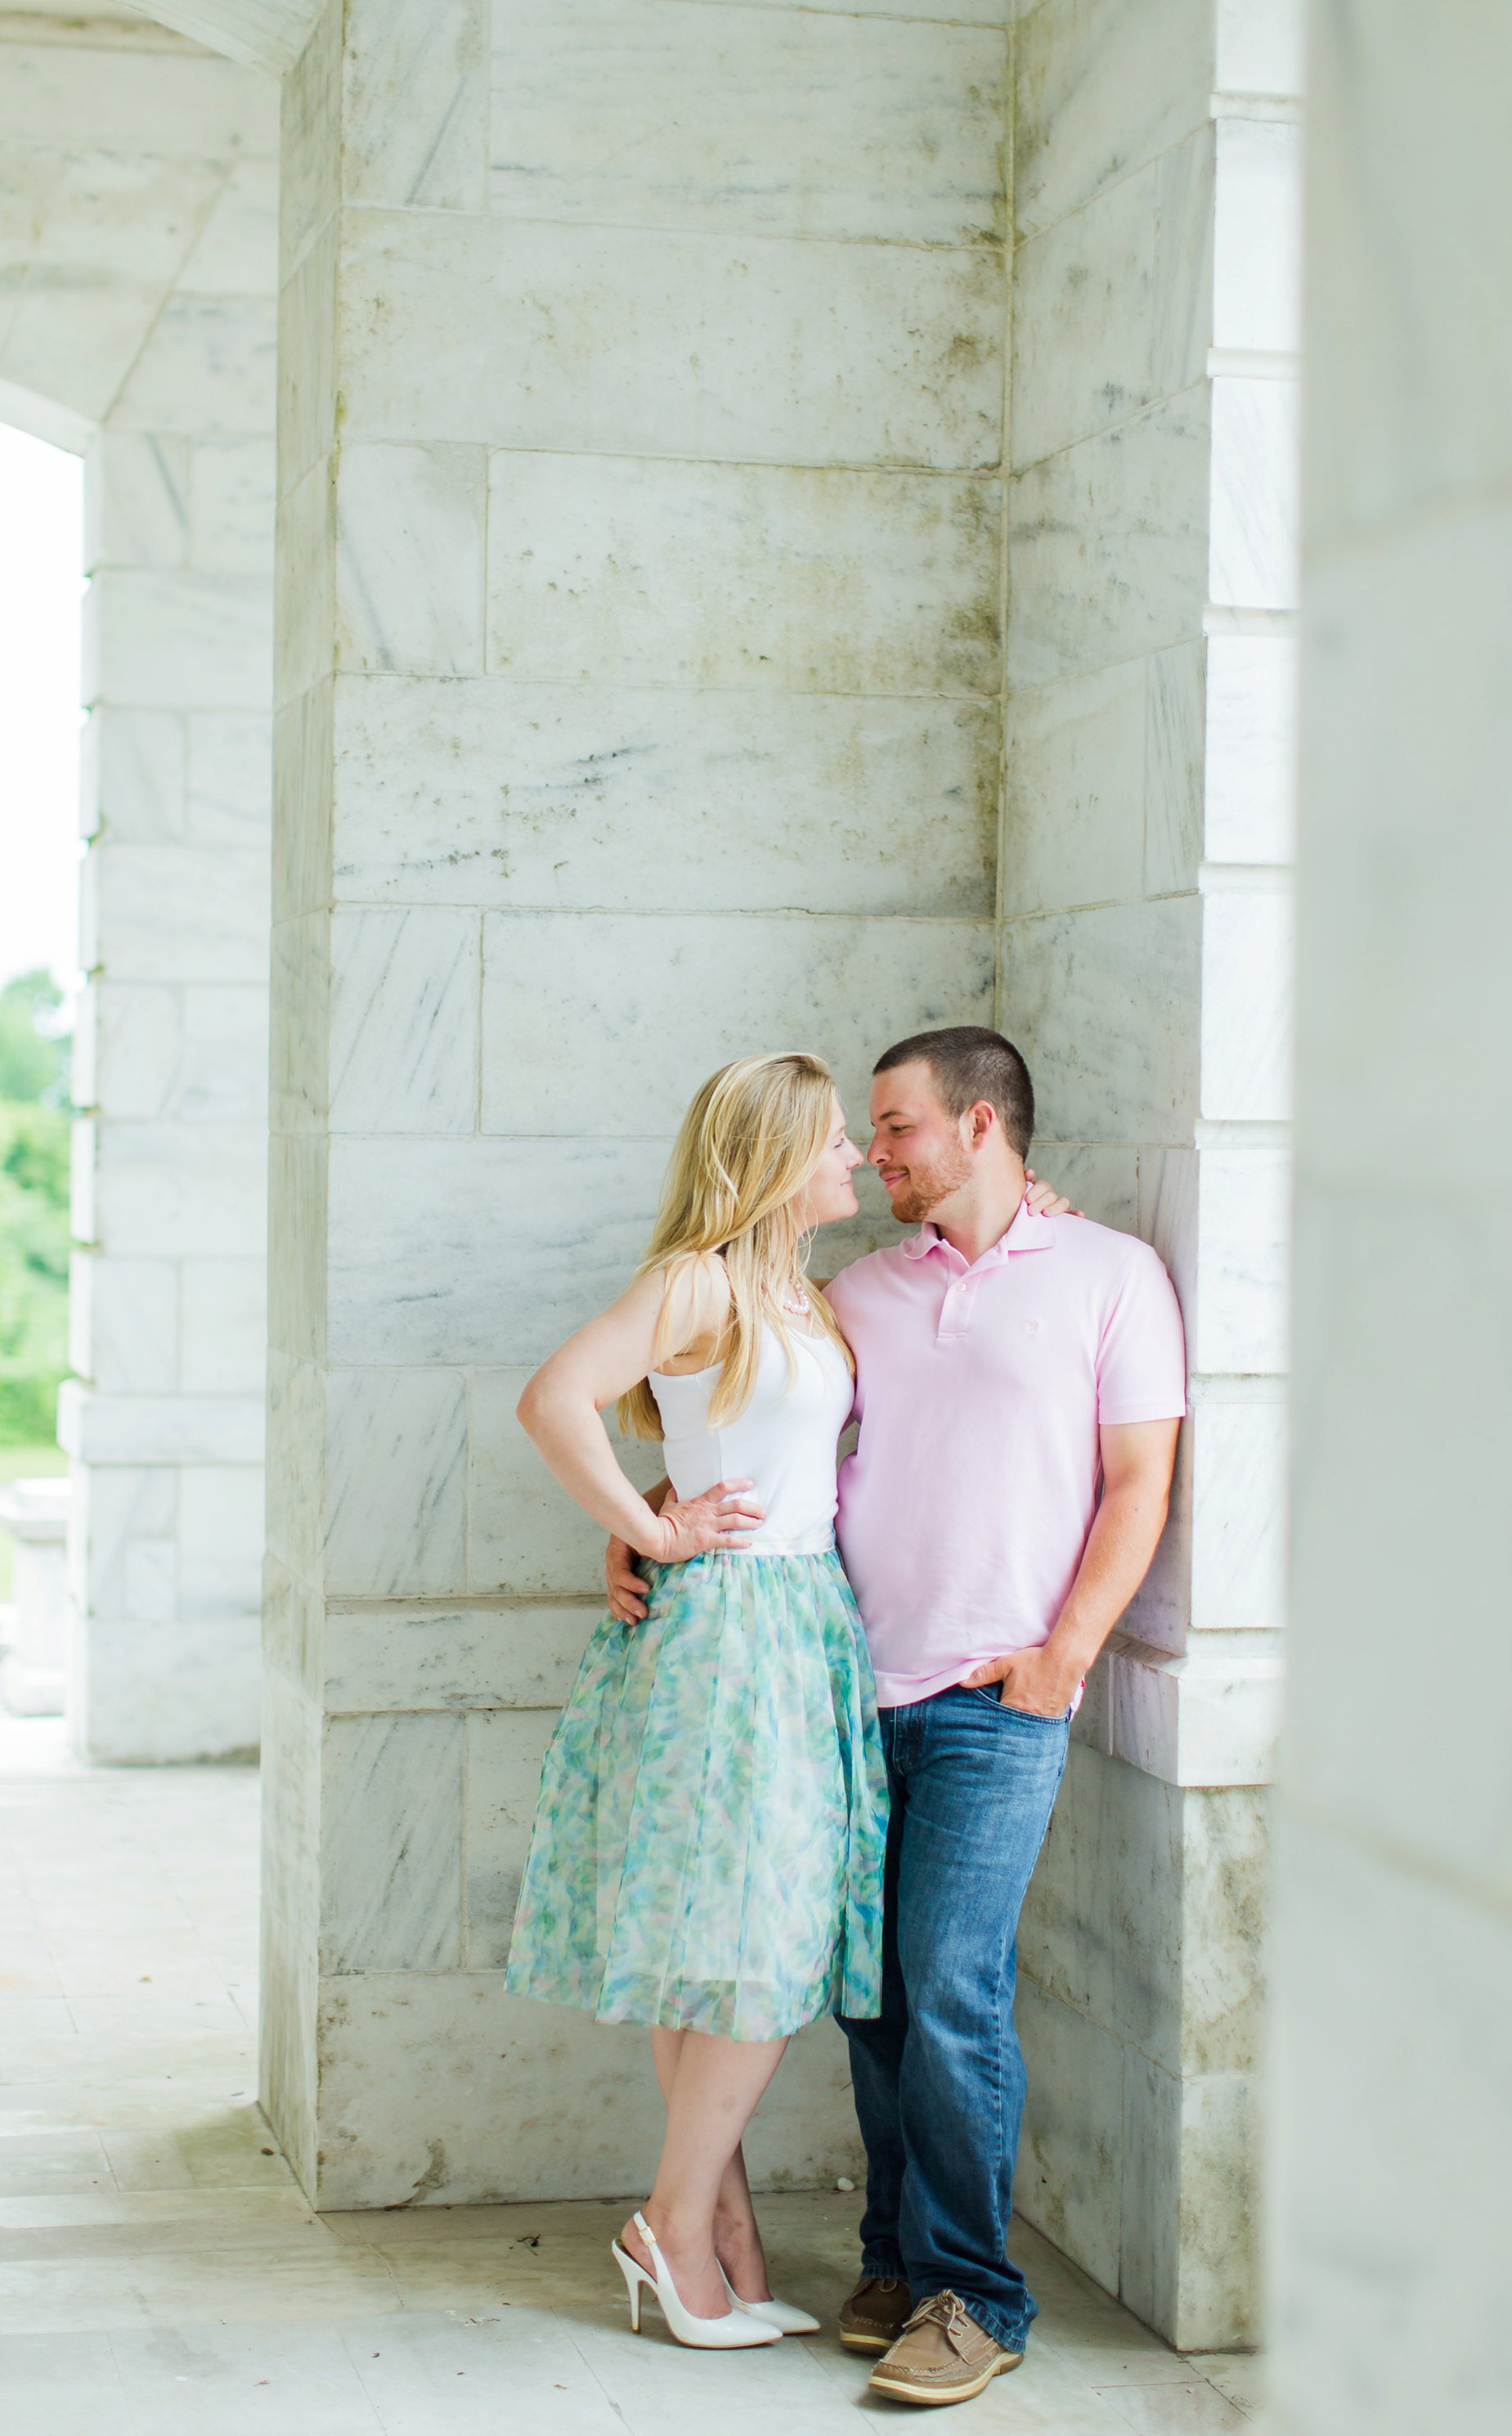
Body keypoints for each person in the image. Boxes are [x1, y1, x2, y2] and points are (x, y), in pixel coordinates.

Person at [608, 1027, 1185, 2407]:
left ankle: (973, 2293)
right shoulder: (854, 1291)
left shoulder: (1113, 1275)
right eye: (862, 1131)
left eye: (900, 1125)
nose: (875, 1152)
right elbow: (756, 1428)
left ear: (983, 1125)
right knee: (874, 1999)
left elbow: (1139, 1484)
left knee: (955, 1992)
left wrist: (1065, 1654)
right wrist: (643, 1532)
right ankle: (893, 2258)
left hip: (998, 1697)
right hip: (843, 1687)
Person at [505, 1052, 888, 2352]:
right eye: (836, 1141)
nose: (857, 1159)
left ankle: (717, 2234)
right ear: (775, 1154)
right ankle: (673, 2226)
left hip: (799, 1621)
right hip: (726, 1632)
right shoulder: (699, 1280)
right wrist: (649, 1529)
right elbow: (552, 1398)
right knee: (754, 1942)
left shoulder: (802, 1292)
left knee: (725, 1937)